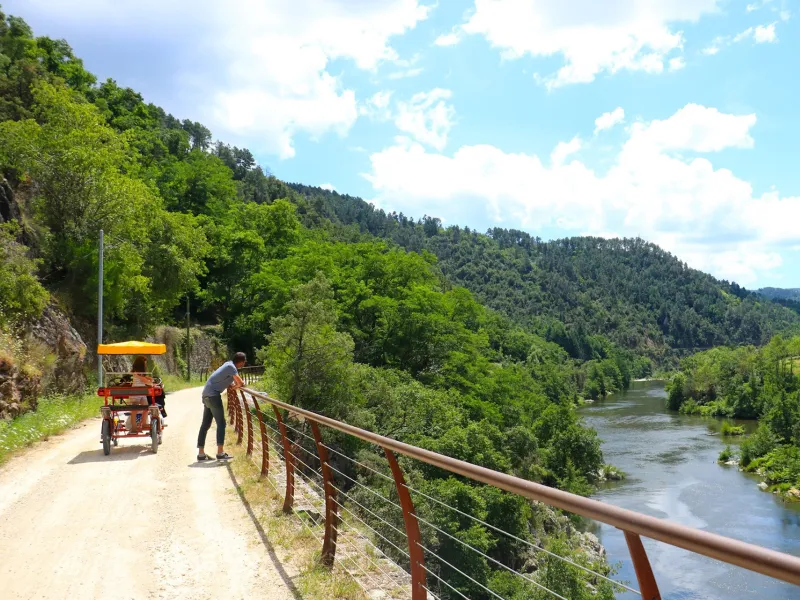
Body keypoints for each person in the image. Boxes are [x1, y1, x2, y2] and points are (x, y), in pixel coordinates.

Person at [197, 352, 246, 461]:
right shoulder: (231, 367)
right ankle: (220, 453)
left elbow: (224, 379)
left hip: (206, 394)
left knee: (205, 424)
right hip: (213, 396)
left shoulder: (227, 364)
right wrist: (235, 387)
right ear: (242, 362)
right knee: (221, 423)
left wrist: (232, 385)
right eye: (244, 362)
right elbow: (241, 383)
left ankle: (201, 454)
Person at [126, 356, 154, 434]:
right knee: (134, 410)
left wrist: (149, 378)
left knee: (146, 408)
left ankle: (143, 424)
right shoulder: (137, 372)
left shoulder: (139, 373)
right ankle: (134, 428)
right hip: (135, 393)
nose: (145, 364)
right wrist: (150, 383)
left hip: (141, 392)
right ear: (141, 364)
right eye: (144, 363)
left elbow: (143, 378)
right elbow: (144, 380)